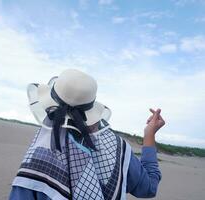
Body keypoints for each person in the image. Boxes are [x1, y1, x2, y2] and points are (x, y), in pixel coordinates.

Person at [9, 69, 165, 200]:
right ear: (91, 110)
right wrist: (149, 134)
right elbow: (149, 188)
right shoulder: (116, 149)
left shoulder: (39, 159)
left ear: (50, 107)